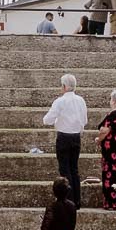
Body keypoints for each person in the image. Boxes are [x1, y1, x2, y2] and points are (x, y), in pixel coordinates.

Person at [42, 73, 88, 209]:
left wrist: (57, 120)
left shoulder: (60, 101)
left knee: (65, 169)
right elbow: (84, 120)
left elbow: (47, 119)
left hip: (63, 137)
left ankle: (69, 200)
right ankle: (77, 201)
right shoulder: (81, 100)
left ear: (64, 86)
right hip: (76, 137)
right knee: (74, 169)